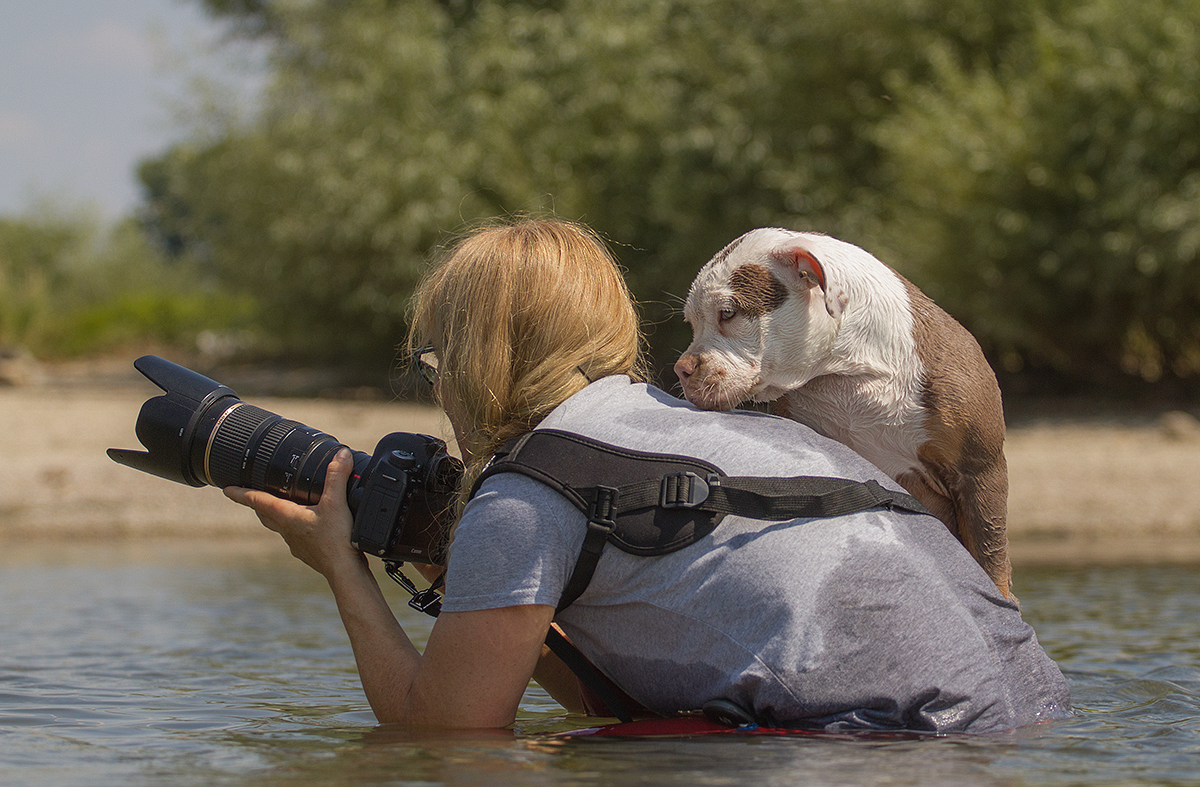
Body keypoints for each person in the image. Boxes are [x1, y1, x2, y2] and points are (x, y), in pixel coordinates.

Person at [225, 217, 1071, 732]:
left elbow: (444, 736)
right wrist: (444, 569)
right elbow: (628, 687)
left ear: (481, 358)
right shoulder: (724, 423)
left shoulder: (531, 491)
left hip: (892, 745)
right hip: (1032, 705)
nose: (436, 382)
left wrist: (341, 565)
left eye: (435, 357)